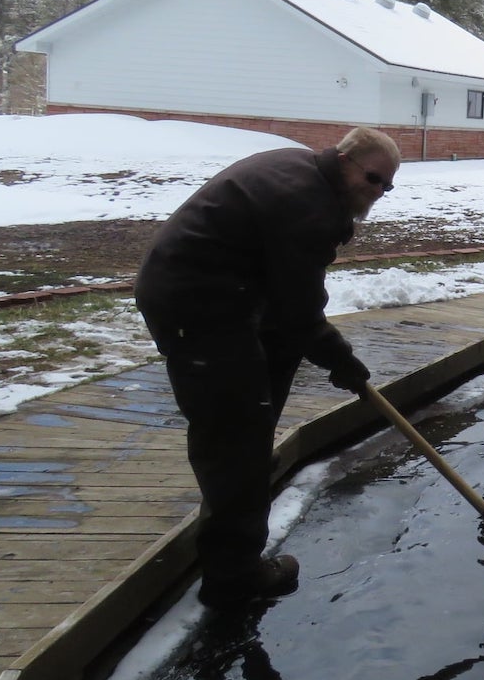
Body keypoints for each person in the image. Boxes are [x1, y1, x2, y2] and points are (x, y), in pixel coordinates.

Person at [135, 127, 401, 609]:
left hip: (225, 297)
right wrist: (343, 363)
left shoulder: (303, 173)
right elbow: (299, 308)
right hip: (198, 307)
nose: (378, 192)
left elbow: (287, 308)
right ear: (344, 160)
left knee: (250, 415)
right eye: (373, 177)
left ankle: (240, 506)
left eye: (388, 185)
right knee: (235, 438)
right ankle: (232, 578)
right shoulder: (308, 205)